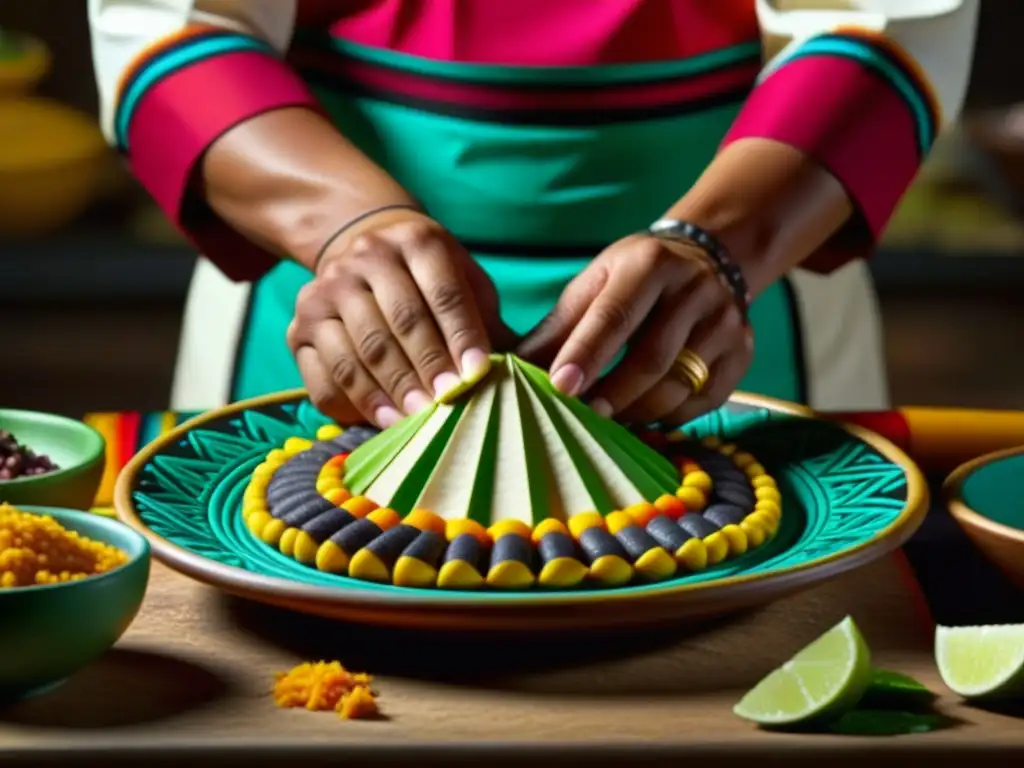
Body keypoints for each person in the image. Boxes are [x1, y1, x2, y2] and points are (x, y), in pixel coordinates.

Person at [88, 0, 977, 429]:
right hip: (318, 299)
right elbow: (170, 18)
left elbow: (886, 16)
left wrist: (719, 246)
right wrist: (347, 229)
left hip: (744, 299)